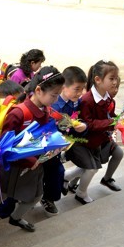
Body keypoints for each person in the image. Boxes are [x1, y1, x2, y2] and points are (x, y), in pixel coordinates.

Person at [0, 66, 65, 235]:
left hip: (34, 165)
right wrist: (29, 160)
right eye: (54, 95)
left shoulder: (46, 110)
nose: (56, 99)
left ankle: (16, 217)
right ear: (38, 90)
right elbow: (5, 146)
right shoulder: (19, 113)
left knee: (36, 195)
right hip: (14, 166)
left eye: (57, 95)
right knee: (0, 194)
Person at [63, 60, 122, 204]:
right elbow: (88, 124)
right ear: (98, 80)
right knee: (90, 168)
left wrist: (121, 120)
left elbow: (110, 116)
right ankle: (80, 192)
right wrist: (111, 123)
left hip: (98, 140)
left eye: (116, 78)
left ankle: (69, 181)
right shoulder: (87, 100)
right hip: (84, 142)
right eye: (111, 78)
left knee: (91, 167)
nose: (115, 83)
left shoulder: (109, 99)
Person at [41, 66, 88, 216]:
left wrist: (81, 126)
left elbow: (76, 120)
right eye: (76, 89)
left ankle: (49, 196)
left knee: (56, 171)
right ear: (64, 87)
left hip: (62, 144)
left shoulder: (75, 102)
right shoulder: (53, 104)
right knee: (54, 171)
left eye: (82, 89)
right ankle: (46, 197)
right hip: (46, 144)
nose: (80, 93)